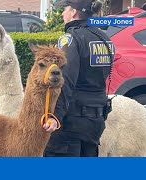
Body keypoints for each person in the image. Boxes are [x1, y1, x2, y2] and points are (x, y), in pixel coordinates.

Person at [44, 0, 115, 157]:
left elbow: (65, 81)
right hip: (96, 121)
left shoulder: (70, 39)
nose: (63, 14)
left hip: (71, 123)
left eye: (65, 9)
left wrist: (55, 116)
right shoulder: (105, 39)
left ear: (73, 12)